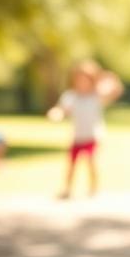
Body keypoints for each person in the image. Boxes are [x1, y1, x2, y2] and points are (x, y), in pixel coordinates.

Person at [47, 61, 124, 198]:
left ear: (91, 80)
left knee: (91, 161)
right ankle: (67, 189)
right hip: (77, 136)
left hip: (93, 135)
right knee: (71, 164)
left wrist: (113, 81)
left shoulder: (96, 96)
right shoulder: (71, 96)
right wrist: (56, 113)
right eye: (79, 79)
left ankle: (93, 189)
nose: (82, 82)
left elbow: (114, 93)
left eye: (85, 79)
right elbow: (62, 109)